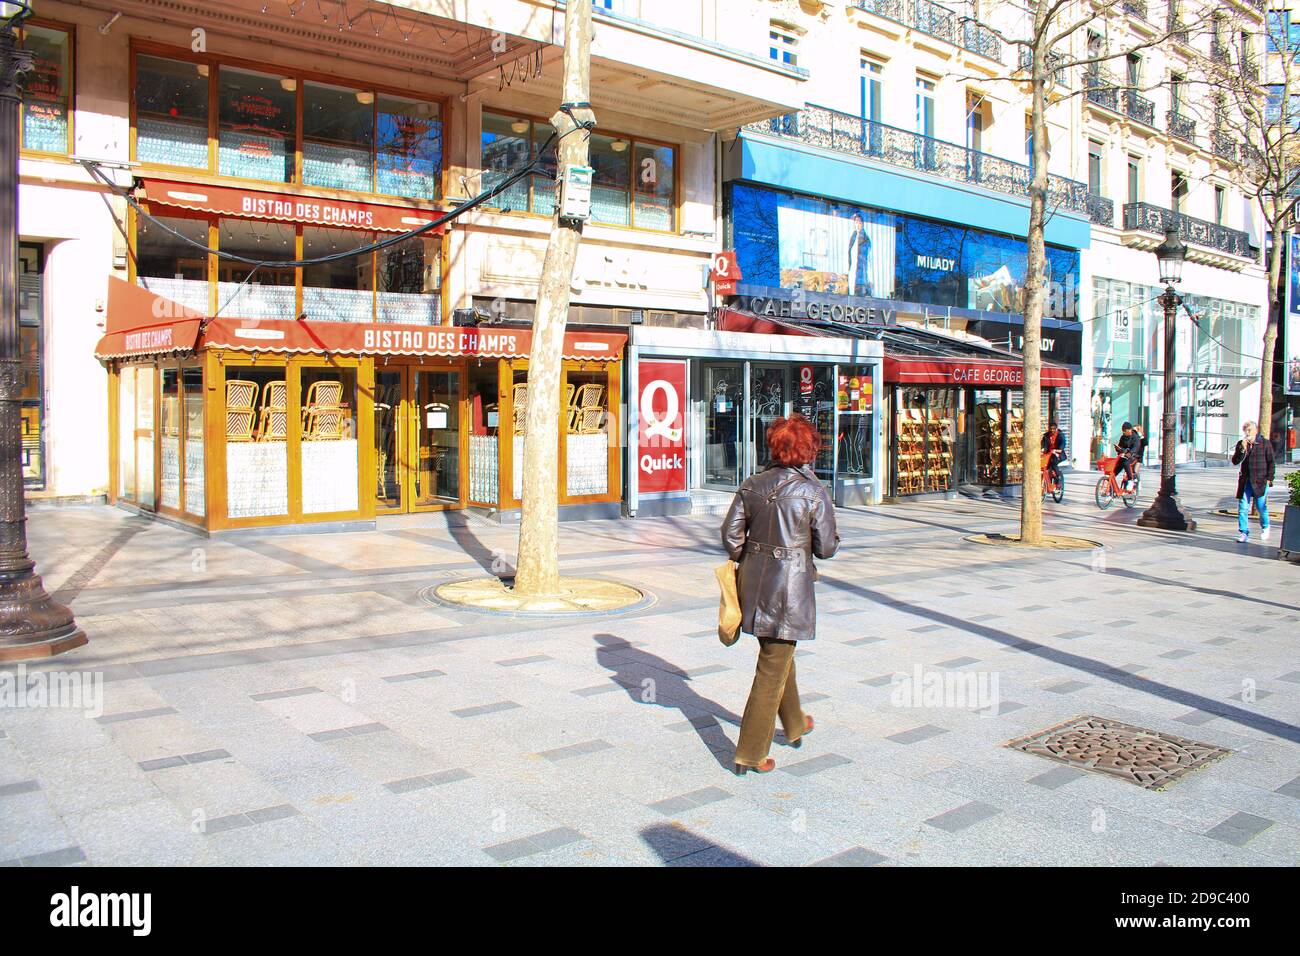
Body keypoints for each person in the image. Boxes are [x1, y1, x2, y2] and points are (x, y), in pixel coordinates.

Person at [721, 415, 839, 775]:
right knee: (772, 666)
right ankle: (750, 752)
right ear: (808, 450)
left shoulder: (751, 484)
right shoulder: (813, 491)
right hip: (789, 590)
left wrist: (755, 559)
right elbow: (826, 547)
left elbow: (730, 536)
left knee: (778, 651)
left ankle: (795, 722)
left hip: (754, 585)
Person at [1231, 420, 1276, 543]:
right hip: (1246, 481)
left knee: (1261, 506)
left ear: (1255, 430)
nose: (1247, 433)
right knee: (1243, 507)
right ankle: (1244, 532)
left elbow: (1271, 462)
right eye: (1245, 430)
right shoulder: (1242, 444)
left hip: (1260, 480)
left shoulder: (1265, 444)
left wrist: (1269, 479)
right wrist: (1242, 450)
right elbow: (1235, 461)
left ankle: (1266, 527)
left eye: (1249, 430)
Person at [847, 211, 872, 297]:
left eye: (859, 222)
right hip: (852, 273)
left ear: (863, 224)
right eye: (856, 222)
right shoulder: (853, 236)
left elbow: (868, 260)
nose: (857, 224)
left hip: (861, 277)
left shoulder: (865, 239)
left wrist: (869, 280)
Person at [1114, 421, 1141, 490]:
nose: (1123, 432)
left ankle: (1130, 480)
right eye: (1123, 431)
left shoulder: (1135, 437)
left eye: (1125, 431)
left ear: (1130, 430)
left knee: (1126, 463)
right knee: (1116, 467)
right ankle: (1111, 489)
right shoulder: (1123, 437)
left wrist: (1130, 453)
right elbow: (1120, 446)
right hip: (1124, 456)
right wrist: (1118, 449)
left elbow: (1136, 447)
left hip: (1133, 456)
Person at [1041, 421, 1067, 489]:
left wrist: (1057, 450)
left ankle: (1058, 478)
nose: (1052, 430)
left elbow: (1062, 446)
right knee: (1044, 465)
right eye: (1051, 429)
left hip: (1058, 454)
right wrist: (1042, 449)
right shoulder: (1046, 436)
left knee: (1053, 463)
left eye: (1054, 429)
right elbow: (1043, 445)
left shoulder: (1060, 435)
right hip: (1048, 454)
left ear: (1056, 429)